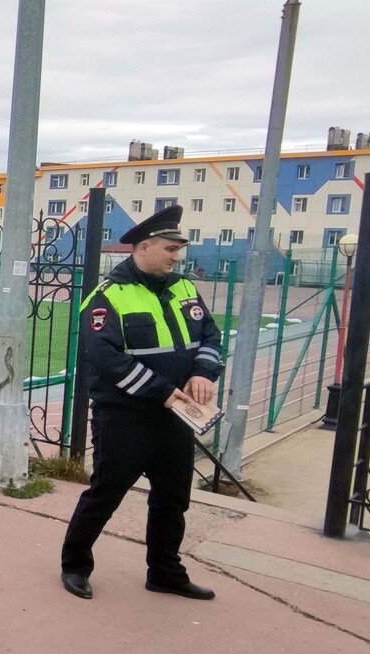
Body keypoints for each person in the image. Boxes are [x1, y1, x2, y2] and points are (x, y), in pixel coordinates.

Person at [60, 204, 223, 602]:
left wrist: (204, 373)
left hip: (175, 418)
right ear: (144, 247)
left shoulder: (183, 287)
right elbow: (106, 356)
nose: (176, 256)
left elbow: (211, 336)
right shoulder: (108, 296)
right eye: (170, 248)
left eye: (178, 248)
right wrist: (161, 391)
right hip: (126, 418)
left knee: (172, 500)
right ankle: (75, 566)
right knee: (105, 495)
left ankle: (166, 572)